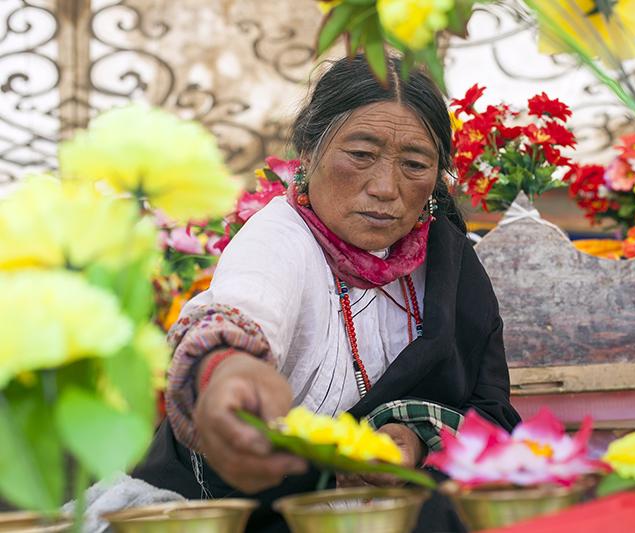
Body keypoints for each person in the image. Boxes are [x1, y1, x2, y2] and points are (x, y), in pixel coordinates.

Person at [134, 54, 520, 532]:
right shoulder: (279, 238)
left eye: (415, 164)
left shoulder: (450, 261)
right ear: (311, 151)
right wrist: (227, 371)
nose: (385, 188)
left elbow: (491, 411)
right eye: (360, 155)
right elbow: (237, 312)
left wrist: (415, 437)